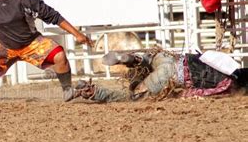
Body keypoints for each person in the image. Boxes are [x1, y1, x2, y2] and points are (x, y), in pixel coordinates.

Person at [73, 49, 248, 103]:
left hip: (175, 61)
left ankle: (135, 59)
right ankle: (96, 92)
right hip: (176, 72)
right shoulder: (229, 84)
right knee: (135, 97)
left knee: (150, 61)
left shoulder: (229, 67)